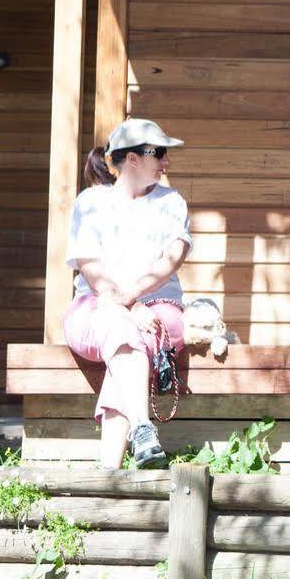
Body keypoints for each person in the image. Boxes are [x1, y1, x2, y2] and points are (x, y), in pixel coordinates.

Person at [64, 118, 219, 468]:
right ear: (133, 159)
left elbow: (171, 258)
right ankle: (141, 426)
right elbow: (91, 268)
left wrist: (133, 299)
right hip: (96, 307)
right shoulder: (90, 203)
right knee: (121, 328)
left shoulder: (172, 202)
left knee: (129, 340)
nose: (166, 162)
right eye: (159, 153)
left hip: (160, 309)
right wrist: (131, 306)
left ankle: (113, 467)